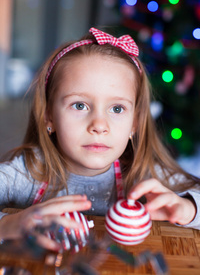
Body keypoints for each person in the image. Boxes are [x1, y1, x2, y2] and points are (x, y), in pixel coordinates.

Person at [0, 27, 199, 251]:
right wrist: (7, 224)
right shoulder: (27, 171)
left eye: (116, 108)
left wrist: (188, 208)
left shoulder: (143, 174)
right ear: (49, 117)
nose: (99, 125)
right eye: (80, 105)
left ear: (134, 123)